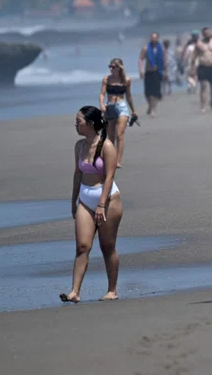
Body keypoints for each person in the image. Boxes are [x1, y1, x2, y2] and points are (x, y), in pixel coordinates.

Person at [60, 106, 122, 303]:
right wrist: (73, 200)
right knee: (82, 246)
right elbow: (77, 174)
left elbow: (110, 176)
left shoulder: (107, 146)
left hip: (108, 198)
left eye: (79, 121)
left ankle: (112, 290)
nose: (76, 124)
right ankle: (75, 292)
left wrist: (102, 204)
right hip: (85, 199)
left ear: (91, 124)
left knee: (107, 246)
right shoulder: (79, 146)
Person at [99, 58, 137, 168]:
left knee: (119, 134)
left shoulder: (126, 80)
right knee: (110, 136)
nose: (111, 69)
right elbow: (102, 93)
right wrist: (102, 104)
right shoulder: (107, 79)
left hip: (122, 107)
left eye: (113, 67)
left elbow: (129, 96)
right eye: (110, 67)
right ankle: (111, 159)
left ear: (119, 68)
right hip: (110, 107)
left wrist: (133, 110)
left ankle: (117, 161)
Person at [194, 27, 212, 113]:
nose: (207, 35)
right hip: (202, 66)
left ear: (210, 34)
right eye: (205, 33)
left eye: (208, 33)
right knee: (203, 86)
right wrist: (192, 66)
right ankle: (203, 106)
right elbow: (194, 55)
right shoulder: (199, 44)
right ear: (203, 34)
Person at [138, 32, 165, 117]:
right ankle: (150, 105)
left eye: (155, 37)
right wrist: (141, 70)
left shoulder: (161, 49)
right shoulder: (146, 48)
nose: (153, 39)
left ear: (157, 38)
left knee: (156, 93)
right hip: (148, 72)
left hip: (157, 72)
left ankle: (153, 110)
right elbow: (140, 59)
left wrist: (166, 72)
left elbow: (165, 61)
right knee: (147, 93)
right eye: (152, 37)